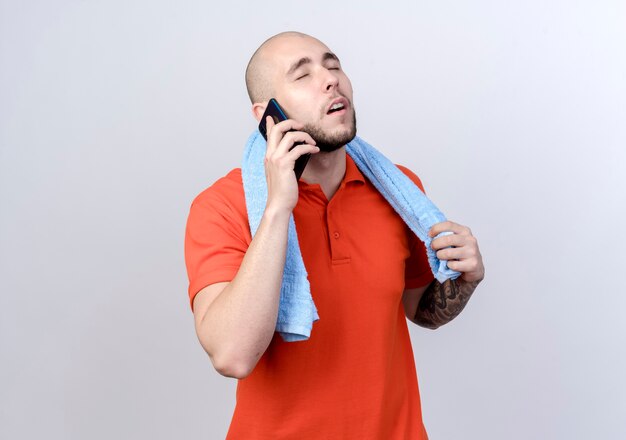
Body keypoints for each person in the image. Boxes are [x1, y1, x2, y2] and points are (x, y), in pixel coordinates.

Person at [184, 31, 485, 439]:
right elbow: (233, 356)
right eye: (302, 75)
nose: (330, 79)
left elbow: (421, 310)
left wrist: (464, 280)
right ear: (266, 116)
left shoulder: (399, 191)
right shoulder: (221, 206)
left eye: (333, 64)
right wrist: (277, 210)